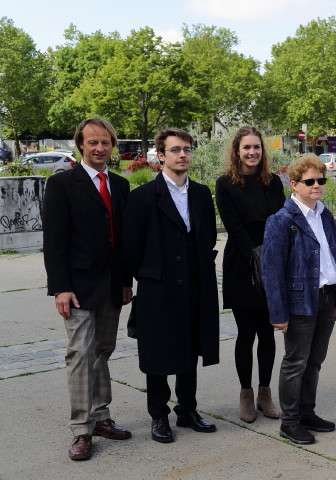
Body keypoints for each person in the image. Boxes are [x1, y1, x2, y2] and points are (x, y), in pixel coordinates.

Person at [43, 117, 133, 460]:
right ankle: (82, 429)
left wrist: (126, 281)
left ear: (113, 145)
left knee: (102, 352)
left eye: (105, 142)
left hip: (111, 286)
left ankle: (101, 417)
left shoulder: (121, 186)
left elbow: (123, 241)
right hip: (77, 286)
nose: (99, 148)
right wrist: (60, 288)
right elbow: (54, 241)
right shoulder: (63, 184)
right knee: (80, 353)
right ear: (81, 144)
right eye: (92, 142)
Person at [124, 128, 220, 444]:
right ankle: (159, 415)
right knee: (158, 354)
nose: (183, 155)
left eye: (187, 150)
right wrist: (149, 275)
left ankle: (188, 410)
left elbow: (206, 238)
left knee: (191, 348)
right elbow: (131, 247)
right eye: (176, 150)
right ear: (161, 155)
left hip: (195, 284)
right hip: (159, 288)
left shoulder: (202, 193)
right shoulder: (142, 197)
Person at [262, 153, 336, 445]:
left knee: (315, 360)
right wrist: (278, 313)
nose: (316, 185)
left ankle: (307, 412)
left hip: (325, 296)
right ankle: (290, 421)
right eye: (309, 181)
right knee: (296, 361)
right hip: (300, 301)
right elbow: (271, 271)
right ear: (294, 184)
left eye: (320, 180)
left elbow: (333, 258)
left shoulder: (324, 214)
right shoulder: (282, 220)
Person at [215, 126, 285, 423]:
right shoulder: (225, 184)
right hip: (242, 263)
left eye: (256, 147)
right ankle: (245, 393)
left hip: (271, 261)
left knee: (268, 332)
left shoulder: (273, 182)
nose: (252, 152)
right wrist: (257, 259)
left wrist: (272, 260)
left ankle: (265, 393)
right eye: (246, 148)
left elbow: (281, 220)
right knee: (245, 333)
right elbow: (234, 227)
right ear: (237, 151)